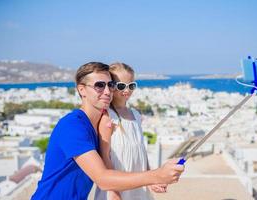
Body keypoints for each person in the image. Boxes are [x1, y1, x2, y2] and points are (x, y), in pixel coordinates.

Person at [31, 62, 184, 200]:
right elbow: (102, 178)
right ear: (81, 90)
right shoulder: (72, 126)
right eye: (99, 85)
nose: (107, 91)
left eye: (110, 85)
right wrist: (157, 175)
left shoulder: (99, 124)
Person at [95, 63, 165, 200]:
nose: (127, 90)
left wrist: (151, 179)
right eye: (121, 86)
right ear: (111, 86)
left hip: (139, 184)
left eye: (131, 85)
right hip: (117, 186)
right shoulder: (107, 116)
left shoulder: (136, 115)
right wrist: (113, 190)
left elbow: (141, 151)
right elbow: (104, 156)